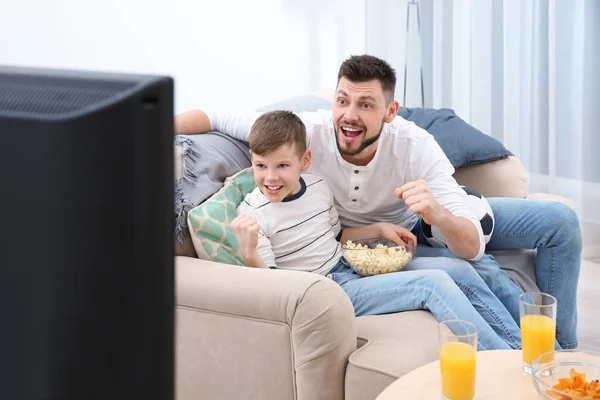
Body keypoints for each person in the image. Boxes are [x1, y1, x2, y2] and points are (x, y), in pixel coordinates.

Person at [175, 55, 582, 349]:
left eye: (365, 104)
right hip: (354, 259)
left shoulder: (413, 145)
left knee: (546, 229)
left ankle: (554, 351)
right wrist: (147, 124)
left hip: (421, 225)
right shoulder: (302, 138)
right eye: (342, 101)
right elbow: (218, 115)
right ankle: (521, 363)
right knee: (453, 274)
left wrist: (435, 213)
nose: (348, 116)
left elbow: (470, 243)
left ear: (390, 112)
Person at [230, 109, 521, 350]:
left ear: (304, 161)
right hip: (325, 291)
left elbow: (337, 237)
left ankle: (527, 354)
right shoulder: (253, 214)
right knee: (432, 285)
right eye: (260, 166)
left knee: (459, 269)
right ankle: (503, 365)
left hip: (348, 264)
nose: (270, 177)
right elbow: (272, 289)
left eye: (282, 165)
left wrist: (380, 229)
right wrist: (248, 252)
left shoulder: (317, 186)